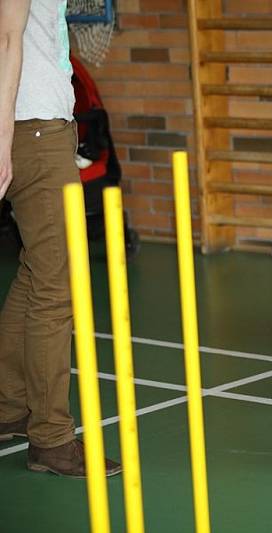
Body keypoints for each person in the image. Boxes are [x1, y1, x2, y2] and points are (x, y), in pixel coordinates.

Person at [0, 0, 120, 477]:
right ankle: (50, 437)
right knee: (57, 286)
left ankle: (9, 406)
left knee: (35, 272)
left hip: (36, 127)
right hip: (30, 130)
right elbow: (9, 36)